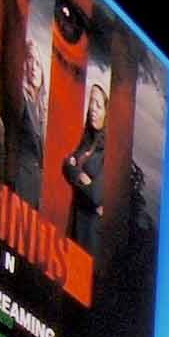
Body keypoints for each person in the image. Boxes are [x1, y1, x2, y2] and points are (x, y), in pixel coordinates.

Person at [62, 83, 108, 250]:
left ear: (106, 111)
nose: (93, 109)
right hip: (74, 222)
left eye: (99, 105)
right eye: (91, 102)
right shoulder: (87, 139)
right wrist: (82, 176)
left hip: (90, 232)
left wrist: (75, 170)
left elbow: (96, 194)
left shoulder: (109, 149)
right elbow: (66, 165)